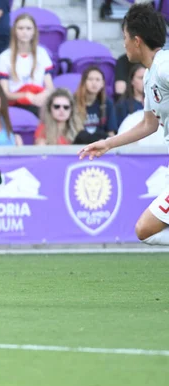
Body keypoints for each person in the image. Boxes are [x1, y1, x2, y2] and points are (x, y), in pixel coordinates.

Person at [79, 3, 169, 246]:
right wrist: (108, 143)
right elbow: (148, 125)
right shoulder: (150, 75)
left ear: (137, 40)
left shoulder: (163, 67)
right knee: (145, 231)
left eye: (125, 37)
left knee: (145, 229)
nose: (123, 44)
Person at [0, 14, 54, 117]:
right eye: (20, 28)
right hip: (16, 105)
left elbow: (50, 87)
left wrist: (41, 95)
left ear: (34, 31)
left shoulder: (42, 53)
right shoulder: (4, 57)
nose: (24, 32)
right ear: (14, 31)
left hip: (39, 103)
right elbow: (5, 93)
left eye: (28, 28)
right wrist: (26, 95)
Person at [73, 66, 118, 144]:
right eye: (90, 79)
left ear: (102, 84)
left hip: (100, 145)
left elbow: (111, 133)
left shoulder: (107, 103)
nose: (94, 83)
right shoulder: (73, 101)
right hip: (78, 144)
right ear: (83, 82)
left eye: (97, 80)